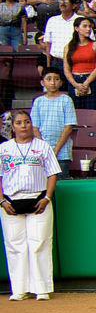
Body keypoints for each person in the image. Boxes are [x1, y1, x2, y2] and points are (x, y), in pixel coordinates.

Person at [1, 109, 59, 300]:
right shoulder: (4, 149)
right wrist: (2, 200)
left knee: (39, 242)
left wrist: (47, 198)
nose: (24, 126)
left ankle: (41, 288)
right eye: (19, 123)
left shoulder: (43, 147)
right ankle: (19, 289)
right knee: (15, 245)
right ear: (13, 126)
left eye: (27, 122)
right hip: (10, 201)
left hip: (38, 199)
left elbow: (52, 173)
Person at [29, 68, 74, 171]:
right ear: (42, 82)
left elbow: (69, 127)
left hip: (62, 152)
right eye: (49, 79)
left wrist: (56, 150)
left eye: (56, 79)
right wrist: (45, 148)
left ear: (61, 82)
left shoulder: (66, 100)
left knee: (62, 183)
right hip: (42, 152)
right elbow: (35, 127)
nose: (52, 82)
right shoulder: (38, 101)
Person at [62, 16, 96, 112]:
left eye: (90, 26)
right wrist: (75, 84)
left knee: (92, 111)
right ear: (76, 28)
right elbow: (66, 69)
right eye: (85, 26)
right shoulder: (68, 47)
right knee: (75, 113)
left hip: (91, 80)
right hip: (74, 80)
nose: (88, 29)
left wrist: (86, 83)